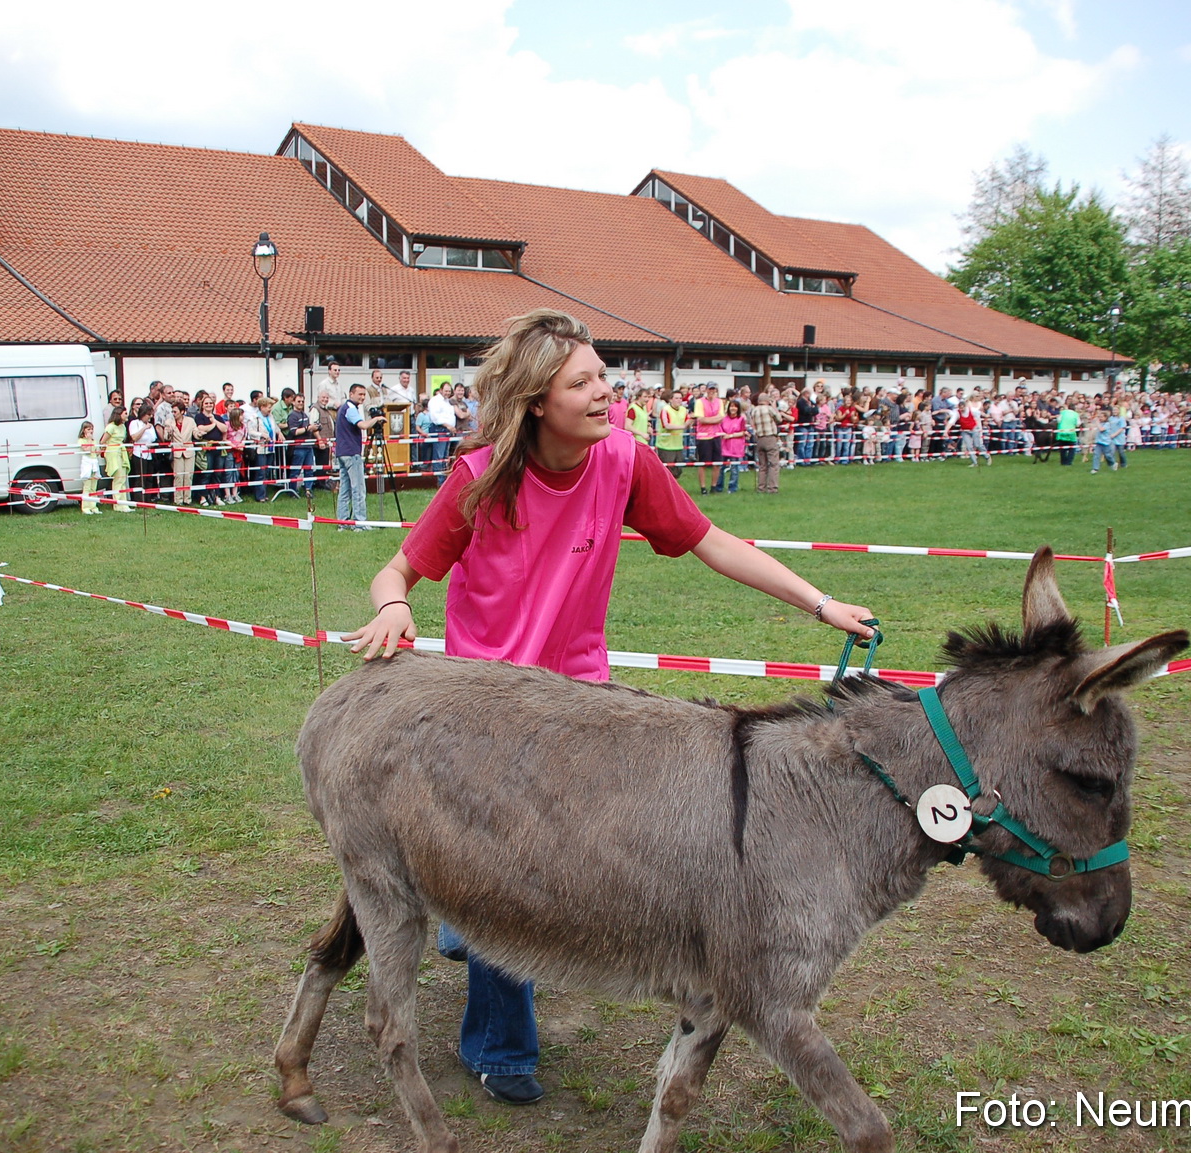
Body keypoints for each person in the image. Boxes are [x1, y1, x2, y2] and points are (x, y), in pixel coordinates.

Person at [342, 308, 876, 1109]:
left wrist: (818, 601)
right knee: (504, 865)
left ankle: (466, 920)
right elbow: (397, 572)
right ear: (534, 404)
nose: (607, 393)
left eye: (603, 376)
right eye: (584, 382)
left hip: (583, 704)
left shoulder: (623, 459)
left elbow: (711, 539)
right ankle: (498, 1042)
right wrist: (392, 607)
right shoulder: (479, 476)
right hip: (486, 713)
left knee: (581, 860)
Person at [335, 382, 384, 528]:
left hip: (342, 452)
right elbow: (362, 425)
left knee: (344, 489)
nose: (362, 397)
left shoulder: (344, 408)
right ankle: (360, 522)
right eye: (360, 394)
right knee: (358, 488)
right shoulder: (350, 408)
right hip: (351, 452)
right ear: (351, 394)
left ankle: (342, 522)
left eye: (364, 395)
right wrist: (376, 419)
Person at [690, 382, 724, 493]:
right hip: (703, 437)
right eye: (710, 389)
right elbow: (701, 419)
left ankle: (713, 486)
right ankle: (703, 488)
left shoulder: (719, 402)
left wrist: (709, 419)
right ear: (706, 390)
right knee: (703, 463)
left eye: (714, 389)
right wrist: (714, 419)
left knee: (717, 463)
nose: (712, 391)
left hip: (716, 435)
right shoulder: (699, 402)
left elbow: (721, 417)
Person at [749, 389, 783, 492]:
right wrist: (774, 407)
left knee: (762, 465)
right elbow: (779, 419)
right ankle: (772, 488)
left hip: (759, 438)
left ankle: (761, 487)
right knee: (773, 464)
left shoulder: (754, 410)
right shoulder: (769, 409)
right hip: (770, 437)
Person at [100, 405, 132, 512]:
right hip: (113, 453)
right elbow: (103, 441)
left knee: (123, 477)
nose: (127, 415)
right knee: (118, 478)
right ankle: (118, 504)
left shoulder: (123, 427)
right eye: (125, 413)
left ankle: (124, 503)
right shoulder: (111, 427)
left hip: (121, 451)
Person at [170, 401, 196, 505]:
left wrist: (200, 434)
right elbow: (166, 437)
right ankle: (178, 500)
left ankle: (187, 499)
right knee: (178, 476)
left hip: (189, 451)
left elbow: (195, 432)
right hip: (177, 452)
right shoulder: (169, 422)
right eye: (172, 411)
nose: (173, 413)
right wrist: (169, 432)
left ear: (182, 412)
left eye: (175, 411)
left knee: (188, 476)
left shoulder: (190, 421)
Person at [718, 398, 747, 493]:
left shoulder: (741, 419)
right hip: (724, 446)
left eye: (735, 406)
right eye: (731, 406)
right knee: (720, 467)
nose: (733, 408)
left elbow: (743, 432)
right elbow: (720, 430)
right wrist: (723, 435)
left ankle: (732, 488)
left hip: (736, 446)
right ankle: (719, 487)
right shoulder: (724, 419)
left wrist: (730, 435)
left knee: (734, 468)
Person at [77, 420, 103, 513]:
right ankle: (85, 508)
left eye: (92, 429)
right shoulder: (81, 440)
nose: (91, 431)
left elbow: (95, 453)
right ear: (84, 430)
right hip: (87, 463)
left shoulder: (94, 440)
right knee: (87, 487)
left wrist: (99, 451)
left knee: (93, 487)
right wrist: (88, 440)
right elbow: (86, 450)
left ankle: (93, 507)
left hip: (94, 463)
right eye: (88, 429)